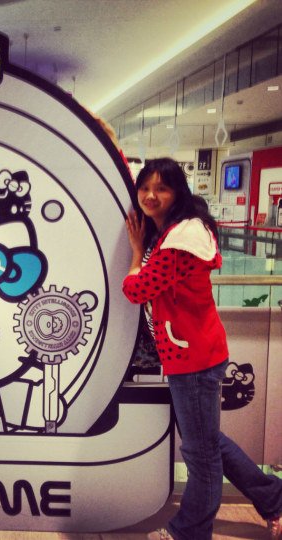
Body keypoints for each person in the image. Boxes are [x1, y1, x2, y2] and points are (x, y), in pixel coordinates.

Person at [122, 157, 282, 540]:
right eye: (145, 187)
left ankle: (189, 531)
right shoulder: (175, 230)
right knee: (209, 444)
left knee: (201, 456)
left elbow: (136, 290)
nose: (150, 195)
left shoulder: (180, 241)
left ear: (177, 192)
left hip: (192, 359)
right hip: (192, 352)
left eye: (161, 188)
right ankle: (274, 497)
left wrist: (135, 252)